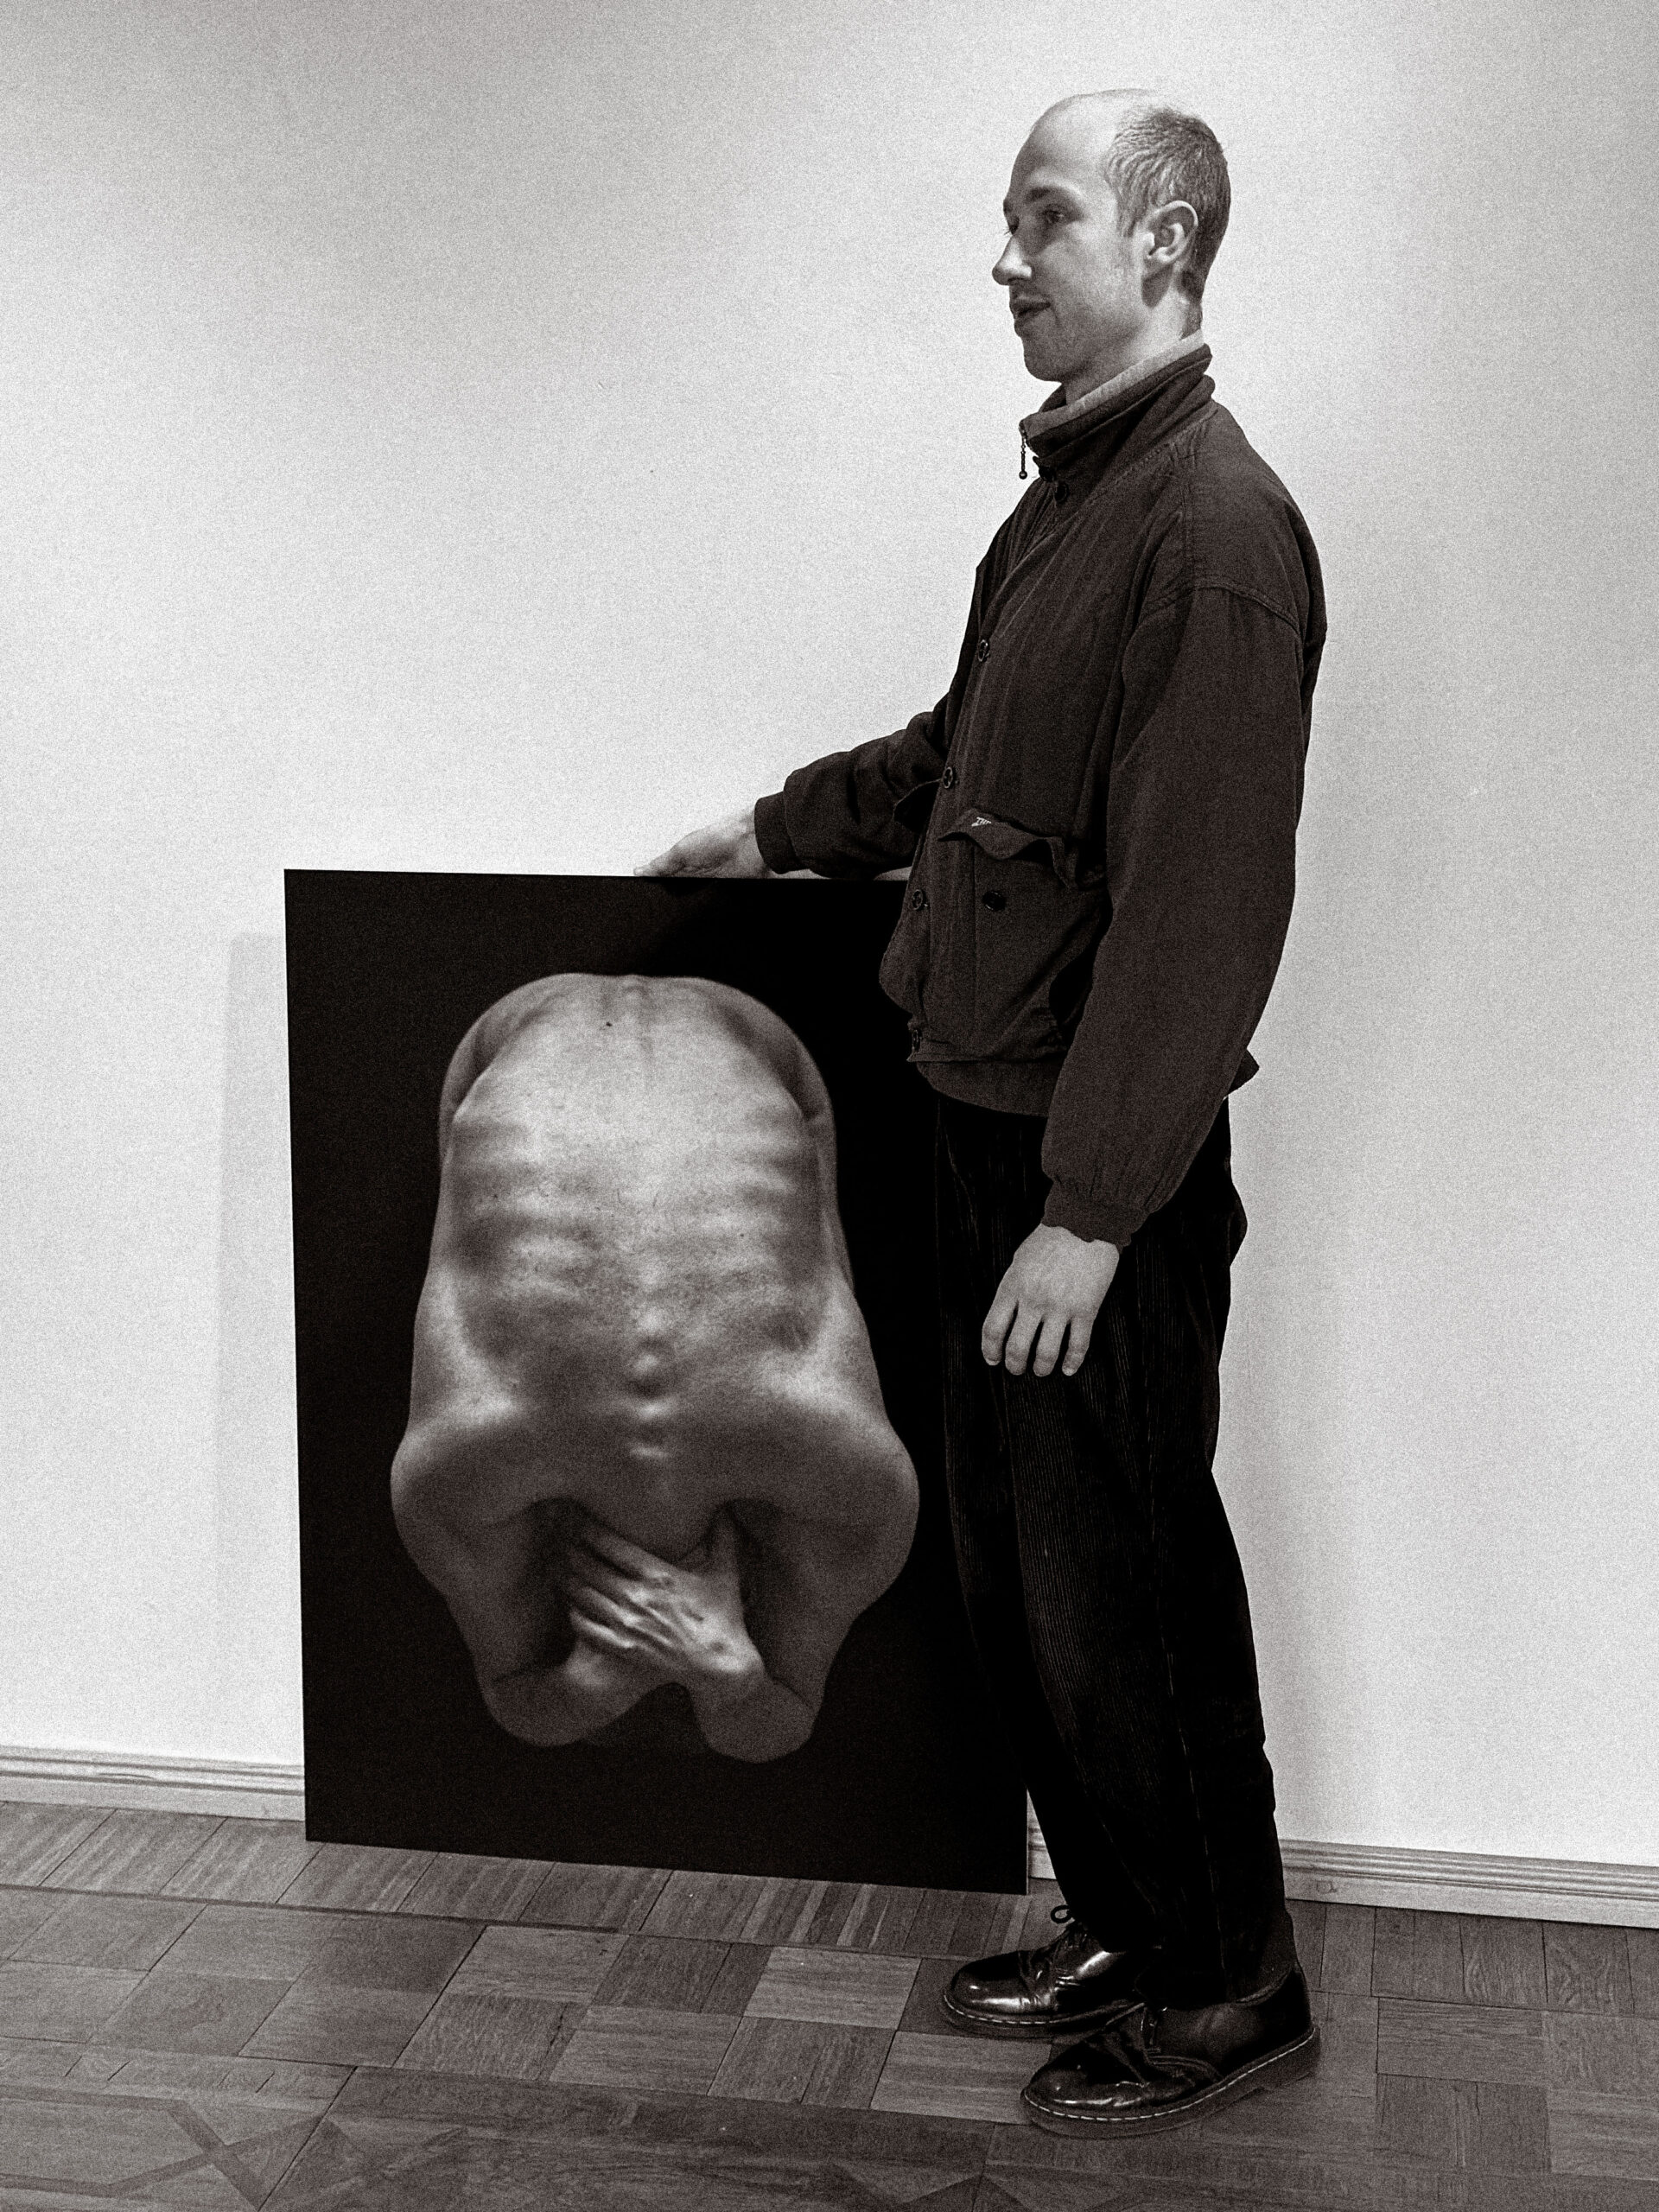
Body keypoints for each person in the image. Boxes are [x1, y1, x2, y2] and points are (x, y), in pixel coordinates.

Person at [643, 88, 1326, 2136]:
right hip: (981, 1125)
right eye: (1009, 222)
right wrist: (777, 827)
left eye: (1047, 219)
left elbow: (1201, 912)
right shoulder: (1067, 507)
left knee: (1127, 1584)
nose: (1007, 261)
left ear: (1165, 245)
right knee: (1031, 1587)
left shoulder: (1214, 534)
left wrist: (1093, 1208)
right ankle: (1129, 1917)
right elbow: (964, 757)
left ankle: (1233, 1982)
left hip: (1078, 1172)